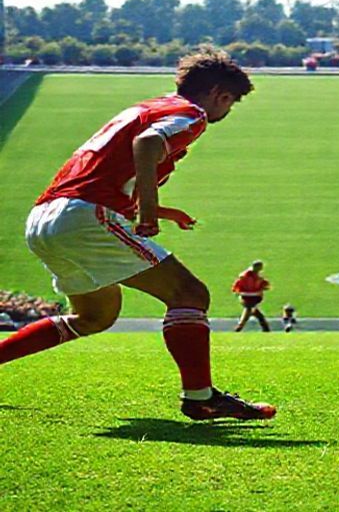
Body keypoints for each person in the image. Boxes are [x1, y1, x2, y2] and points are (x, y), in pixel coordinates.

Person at [3, 48, 276, 421]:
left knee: (94, 318)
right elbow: (146, 146)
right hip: (85, 215)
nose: (226, 112)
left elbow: (109, 169)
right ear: (220, 95)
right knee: (189, 294)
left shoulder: (148, 106)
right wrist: (148, 212)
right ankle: (200, 398)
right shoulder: (192, 114)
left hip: (45, 218)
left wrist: (159, 208)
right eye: (230, 103)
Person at [232, 260, 271, 332]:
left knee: (256, 313)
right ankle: (239, 328)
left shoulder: (257, 275)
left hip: (253, 297)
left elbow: (264, 284)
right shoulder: (246, 275)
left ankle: (266, 329)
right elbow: (239, 285)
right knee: (249, 310)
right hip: (247, 297)